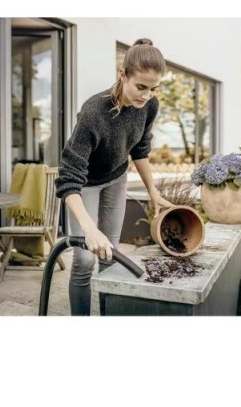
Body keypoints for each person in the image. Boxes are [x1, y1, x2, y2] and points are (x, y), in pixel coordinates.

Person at [55, 38, 174, 316]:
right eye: (141, 87)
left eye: (153, 89)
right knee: (85, 259)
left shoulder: (149, 106)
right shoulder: (94, 113)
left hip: (117, 178)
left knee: (111, 255)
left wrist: (153, 191)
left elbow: (140, 149)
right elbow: (68, 178)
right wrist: (89, 227)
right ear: (123, 75)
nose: (146, 95)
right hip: (85, 184)